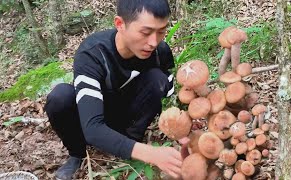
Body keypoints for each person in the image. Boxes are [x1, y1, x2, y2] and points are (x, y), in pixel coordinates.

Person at [44, 0, 187, 179]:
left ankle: (130, 141)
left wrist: (182, 131)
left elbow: (169, 99)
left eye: (161, 31)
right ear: (120, 24)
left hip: (128, 116)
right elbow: (92, 127)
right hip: (95, 116)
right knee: (60, 97)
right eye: (145, 32)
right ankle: (77, 154)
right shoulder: (93, 54)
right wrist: (151, 154)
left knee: (158, 78)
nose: (153, 42)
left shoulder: (160, 51)